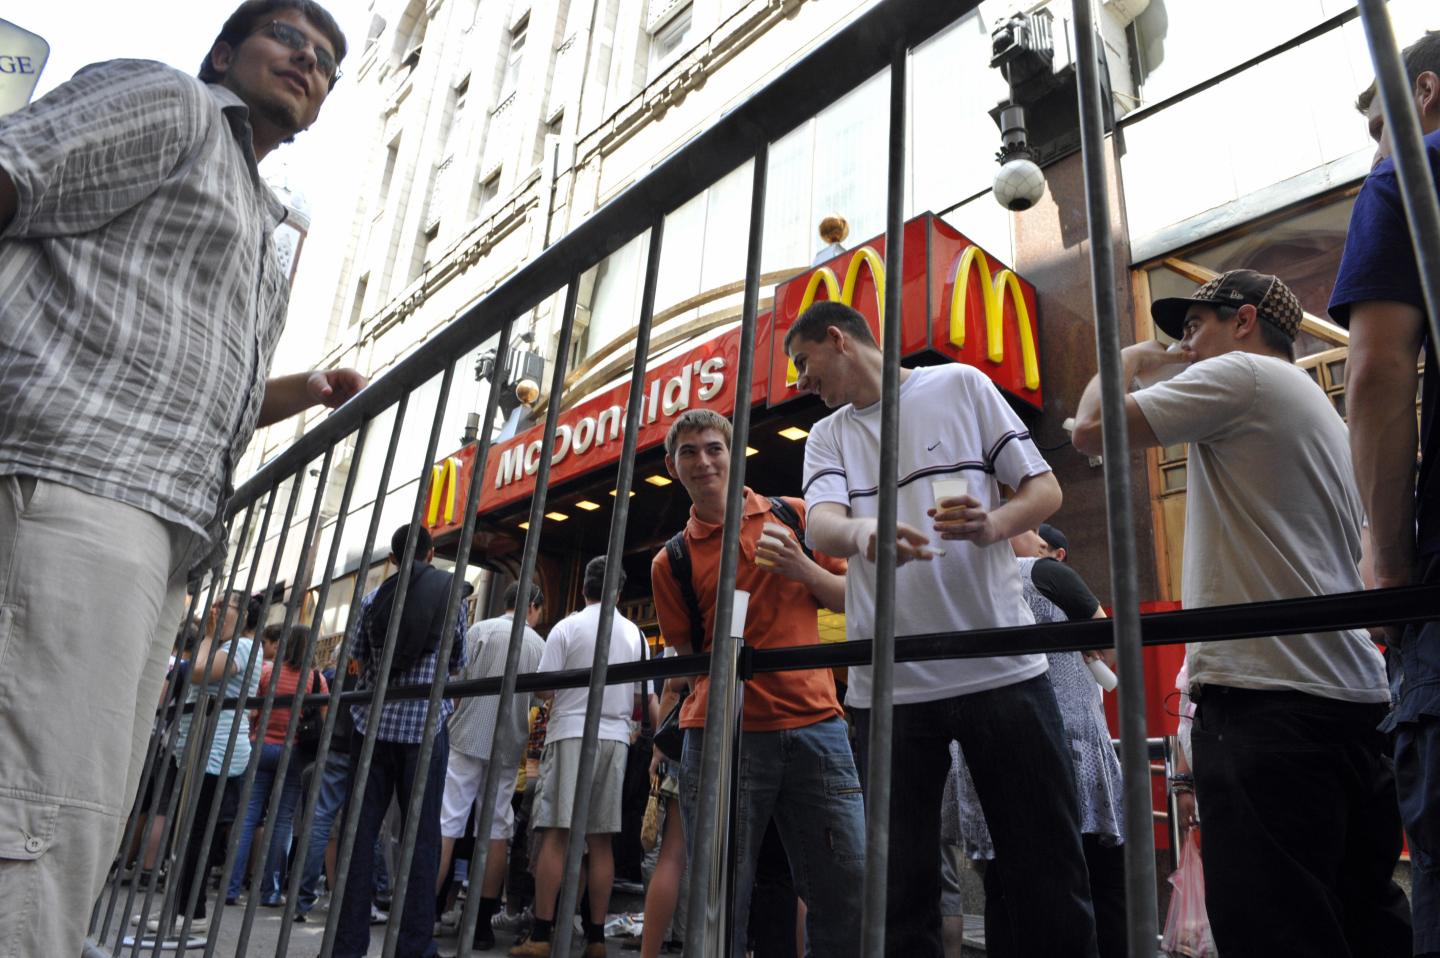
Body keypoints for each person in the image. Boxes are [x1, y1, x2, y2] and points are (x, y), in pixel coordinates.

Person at [0, 2, 363, 951]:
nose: (310, 62)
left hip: (165, 530)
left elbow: (209, 387)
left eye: (328, 63)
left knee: (79, 815)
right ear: (226, 51)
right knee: (35, 805)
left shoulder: (266, 221)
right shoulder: (172, 104)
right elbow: (14, 171)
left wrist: (304, 390)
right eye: (290, 39)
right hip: (74, 475)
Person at [1072, 269, 1412, 956]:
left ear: (1245, 320)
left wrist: (1133, 358)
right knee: (1364, 919)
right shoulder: (1317, 408)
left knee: (1275, 928)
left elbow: (1089, 430)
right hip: (1350, 698)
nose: (1184, 344)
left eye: (1195, 325)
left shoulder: (1243, 377)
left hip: (1268, 701)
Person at [786, 300, 1097, 957]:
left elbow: (1043, 490)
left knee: (1047, 866)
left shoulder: (960, 384)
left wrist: (994, 524)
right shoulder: (829, 435)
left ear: (838, 339)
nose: (801, 381)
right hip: (889, 687)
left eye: (804, 362)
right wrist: (865, 533)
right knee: (899, 889)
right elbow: (821, 523)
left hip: (1001, 666)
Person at [649, 407, 865, 958]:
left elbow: (855, 600)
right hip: (721, 736)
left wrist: (802, 568)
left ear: (734, 454)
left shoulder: (795, 515)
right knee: (719, 901)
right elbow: (688, 660)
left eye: (714, 448)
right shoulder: (671, 561)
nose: (703, 461)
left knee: (847, 887)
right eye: (689, 452)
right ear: (673, 467)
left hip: (817, 726)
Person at [1330, 30, 1440, 958]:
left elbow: (1376, 370)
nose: (1377, 144)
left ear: (1424, 92)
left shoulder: (1413, 169)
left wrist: (1389, 559)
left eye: (1379, 122)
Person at [950, 527, 1125, 958]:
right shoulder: (1043, 573)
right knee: (1094, 881)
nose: (1037, 539)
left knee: (1005, 888)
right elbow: (1110, 645)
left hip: (986, 752)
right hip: (1069, 750)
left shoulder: (956, 587)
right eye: (1028, 528)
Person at [336, 524, 468, 958]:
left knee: (359, 835)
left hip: (372, 729)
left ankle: (346, 945)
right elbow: (457, 662)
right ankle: (414, 945)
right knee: (422, 837)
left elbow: (356, 659)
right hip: (424, 730)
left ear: (393, 559)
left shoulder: (372, 599)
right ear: (431, 554)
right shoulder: (451, 596)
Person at [512, 556, 650, 958]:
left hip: (570, 733)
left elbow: (543, 690)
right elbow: (641, 699)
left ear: (584, 588)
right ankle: (596, 939)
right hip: (615, 741)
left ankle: (542, 934)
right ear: (619, 594)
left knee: (556, 834)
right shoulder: (637, 635)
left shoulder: (567, 627)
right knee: (601, 841)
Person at [141, 591, 262, 936]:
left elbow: (199, 673)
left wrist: (208, 636)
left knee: (196, 831)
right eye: (214, 604)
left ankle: (192, 912)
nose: (214, 610)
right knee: (186, 829)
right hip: (198, 748)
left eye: (224, 606)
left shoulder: (242, 646)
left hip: (216, 750)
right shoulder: (226, 644)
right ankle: (177, 908)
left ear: (244, 615)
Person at [439, 581, 546, 951]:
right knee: (496, 827)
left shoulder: (479, 630)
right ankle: (482, 923)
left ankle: (423, 912)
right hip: (507, 743)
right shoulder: (538, 644)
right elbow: (540, 697)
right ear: (532, 606)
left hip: (465, 735)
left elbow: (457, 682)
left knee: (448, 822)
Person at [227, 623, 328, 907]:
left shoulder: (267, 672)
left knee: (247, 816)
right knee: (283, 820)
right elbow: (324, 719)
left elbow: (253, 710)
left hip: (260, 747)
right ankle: (271, 891)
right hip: (294, 752)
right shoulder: (316, 679)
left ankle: (231, 888)